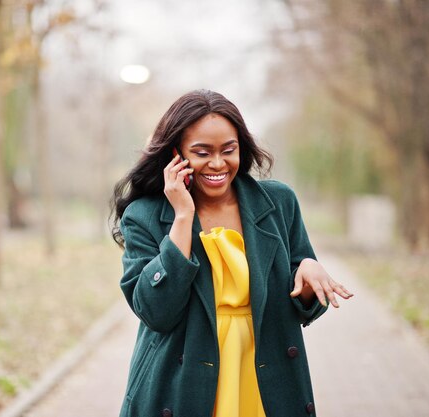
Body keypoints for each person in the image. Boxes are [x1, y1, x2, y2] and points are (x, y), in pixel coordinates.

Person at [110, 89, 353, 417]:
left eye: (228, 150)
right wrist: (182, 217)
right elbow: (156, 313)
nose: (217, 163)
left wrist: (309, 274)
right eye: (201, 152)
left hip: (266, 377)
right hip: (182, 384)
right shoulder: (145, 215)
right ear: (175, 155)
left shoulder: (277, 203)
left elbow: (301, 304)